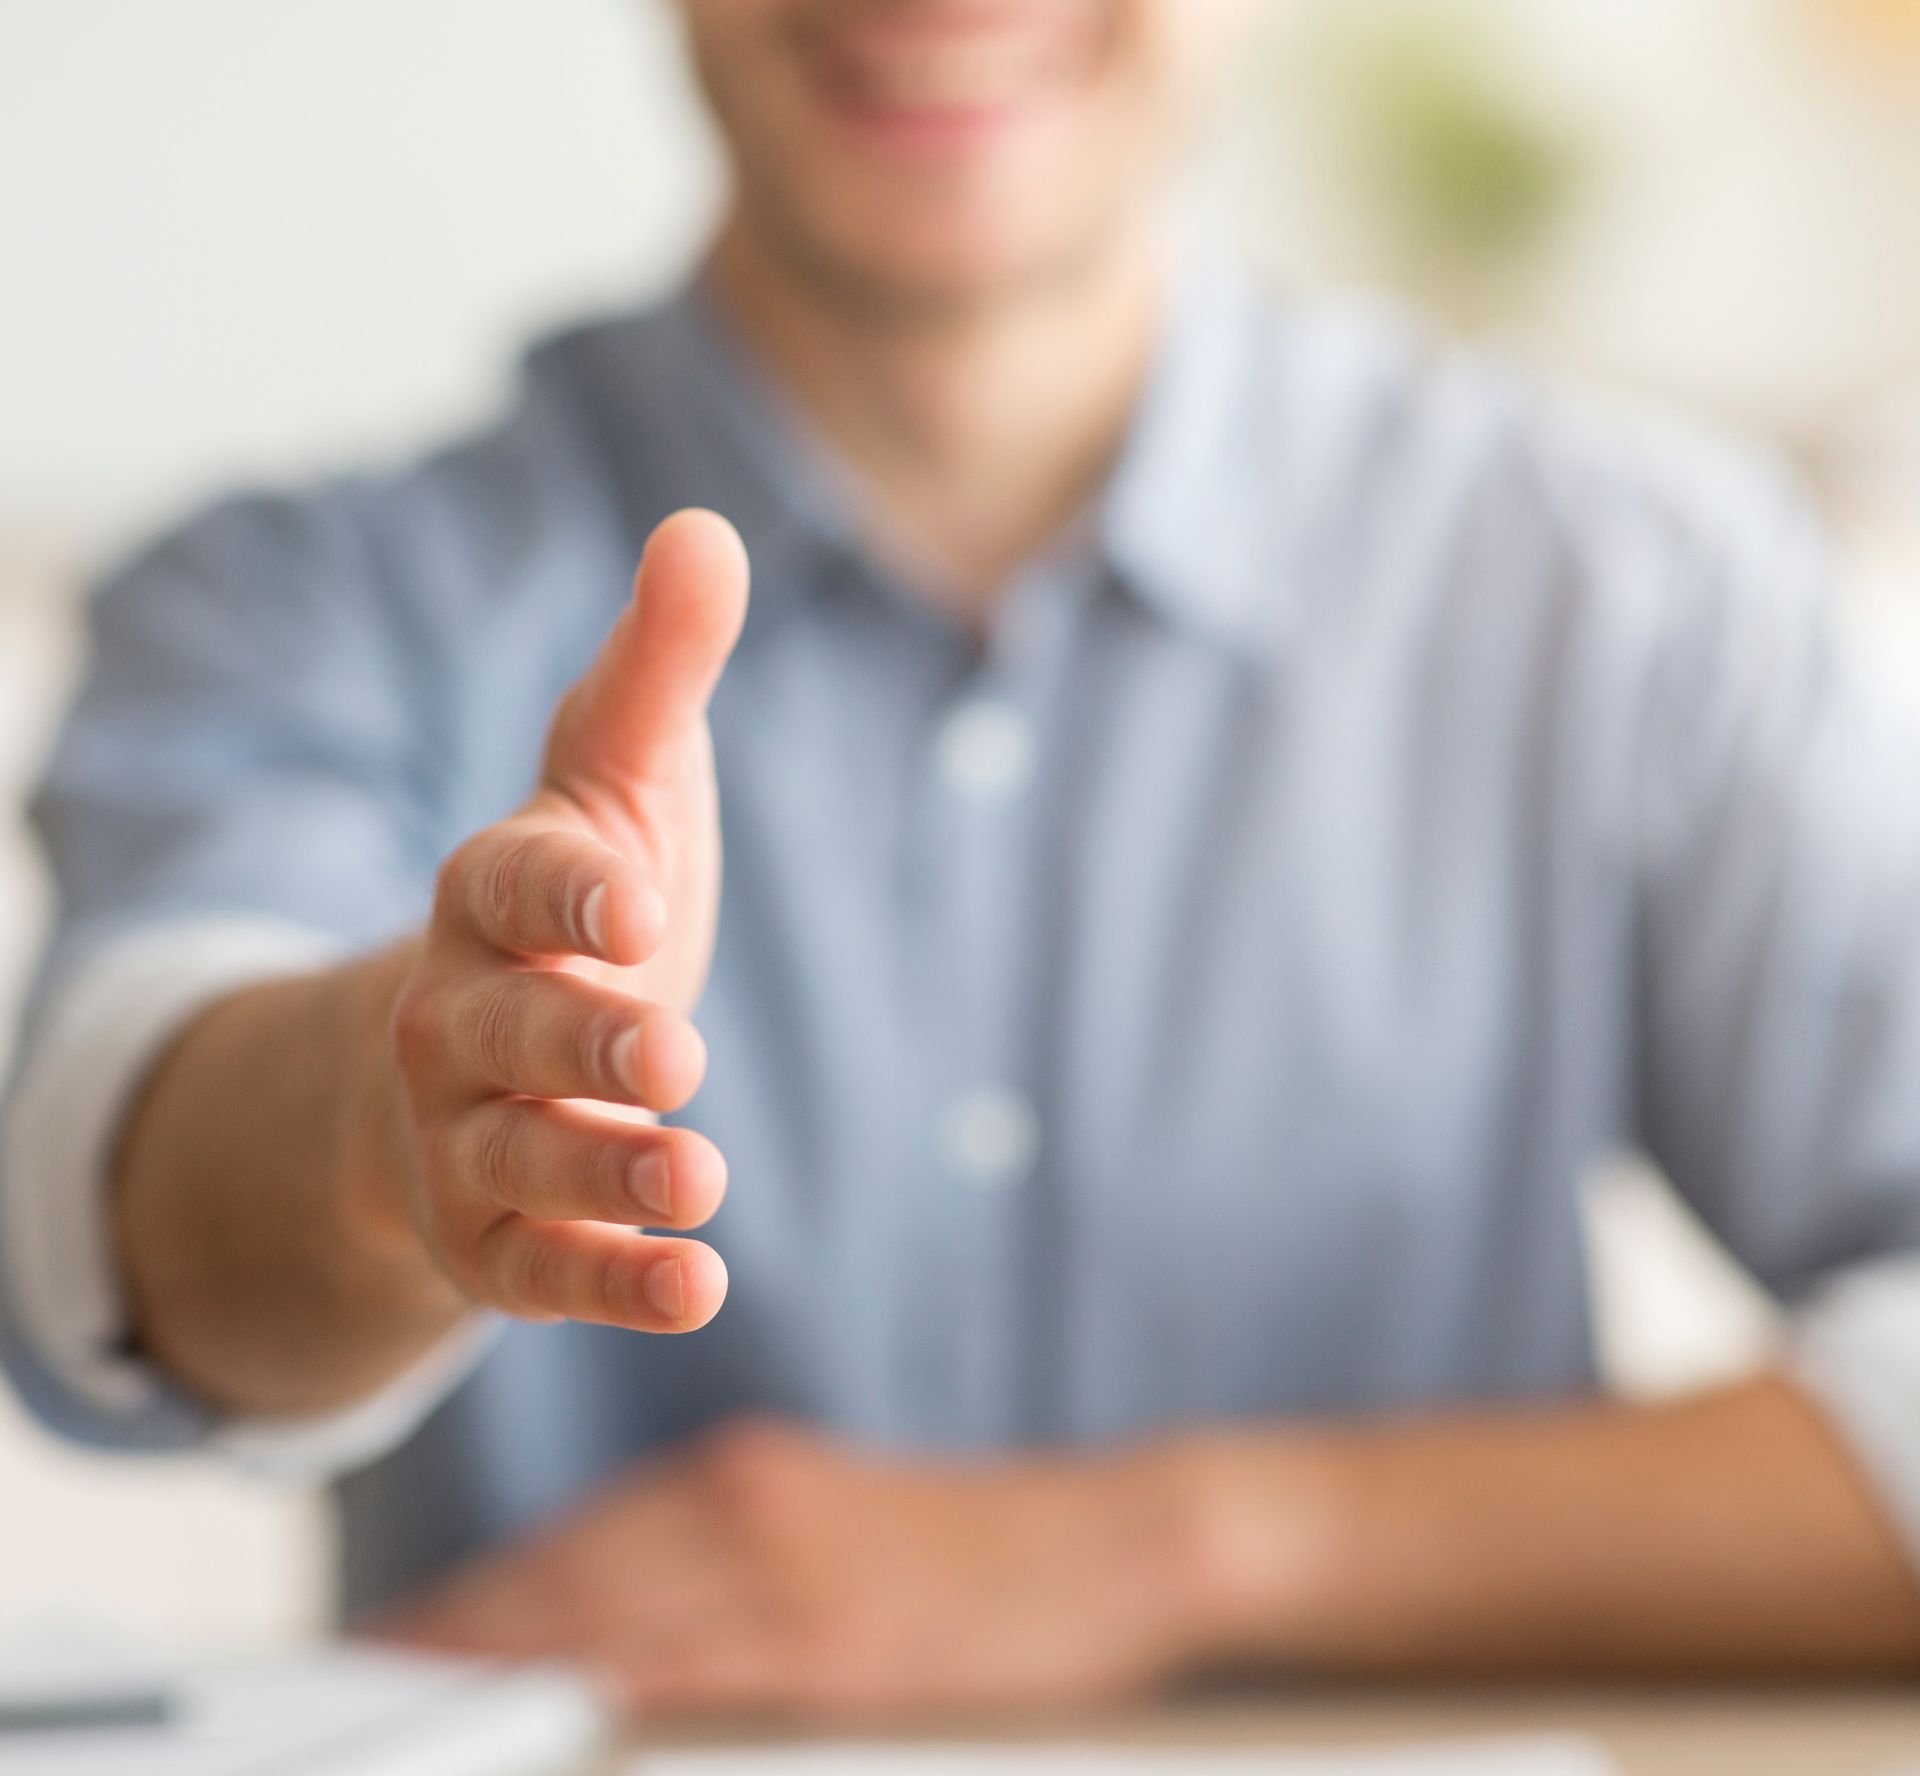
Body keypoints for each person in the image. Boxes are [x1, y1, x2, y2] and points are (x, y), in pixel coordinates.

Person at [6, 0, 1920, 1721]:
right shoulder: (294, 602)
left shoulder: (1648, 598)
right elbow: (114, 1197)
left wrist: (1165, 1545)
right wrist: (385, 1126)